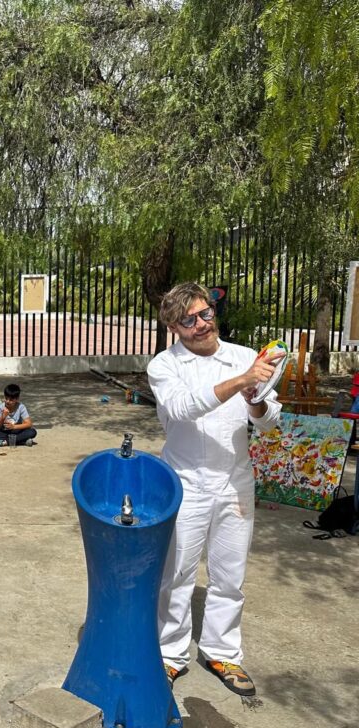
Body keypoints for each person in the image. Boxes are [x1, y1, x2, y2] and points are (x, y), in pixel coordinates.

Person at [147, 282, 283, 697]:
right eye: (188, 320)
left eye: (205, 313)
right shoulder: (164, 365)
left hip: (234, 481)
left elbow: (269, 420)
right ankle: (169, 655)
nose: (201, 324)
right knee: (177, 574)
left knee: (229, 574)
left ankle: (222, 652)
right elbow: (181, 408)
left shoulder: (243, 356)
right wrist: (241, 382)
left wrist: (256, 399)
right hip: (185, 482)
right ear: (173, 327)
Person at [0, 383, 37, 447]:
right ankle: (22, 441)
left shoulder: (21, 407)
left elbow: (29, 424)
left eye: (11, 400)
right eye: (6, 398)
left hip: (17, 431)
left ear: (17, 399)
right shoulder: (0, 407)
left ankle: (4, 443)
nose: (7, 401)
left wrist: (14, 427)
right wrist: (3, 417)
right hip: (4, 432)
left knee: (32, 432)